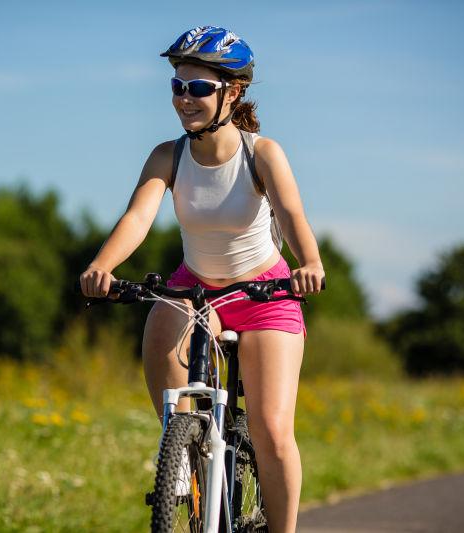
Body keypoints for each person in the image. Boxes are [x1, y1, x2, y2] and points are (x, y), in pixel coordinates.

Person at [79, 26, 325, 533]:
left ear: (232, 93)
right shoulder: (168, 156)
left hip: (264, 294)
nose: (184, 99)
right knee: (158, 331)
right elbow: (137, 218)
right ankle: (185, 455)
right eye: (177, 87)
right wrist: (103, 265)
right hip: (194, 288)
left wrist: (310, 264)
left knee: (272, 431)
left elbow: (293, 214)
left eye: (198, 88)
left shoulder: (262, 154)